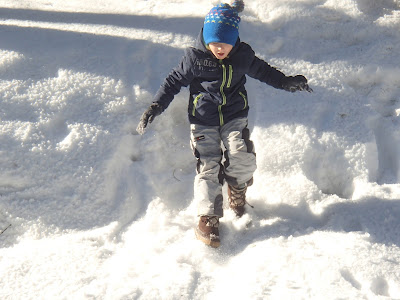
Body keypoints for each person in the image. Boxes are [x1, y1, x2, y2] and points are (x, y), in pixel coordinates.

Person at [136, 1, 312, 248]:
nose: (219, 48)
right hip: (202, 121)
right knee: (208, 165)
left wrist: (285, 82)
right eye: (214, 43)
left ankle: (237, 190)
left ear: (235, 40)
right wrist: (156, 106)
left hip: (234, 116)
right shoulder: (195, 58)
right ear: (206, 39)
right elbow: (173, 82)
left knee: (242, 154)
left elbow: (265, 71)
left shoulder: (242, 56)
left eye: (225, 43)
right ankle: (207, 218)